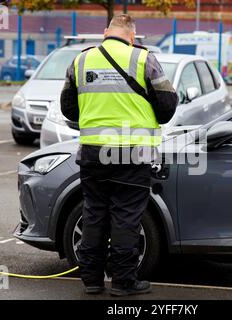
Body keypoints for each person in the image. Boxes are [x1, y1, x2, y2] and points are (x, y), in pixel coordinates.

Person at [60, 14, 178, 296]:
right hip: (132, 155)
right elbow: (167, 105)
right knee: (126, 217)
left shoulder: (81, 60)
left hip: (92, 154)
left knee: (94, 213)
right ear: (132, 36)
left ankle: (91, 280)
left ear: (105, 33)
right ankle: (124, 282)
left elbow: (68, 108)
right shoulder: (143, 59)